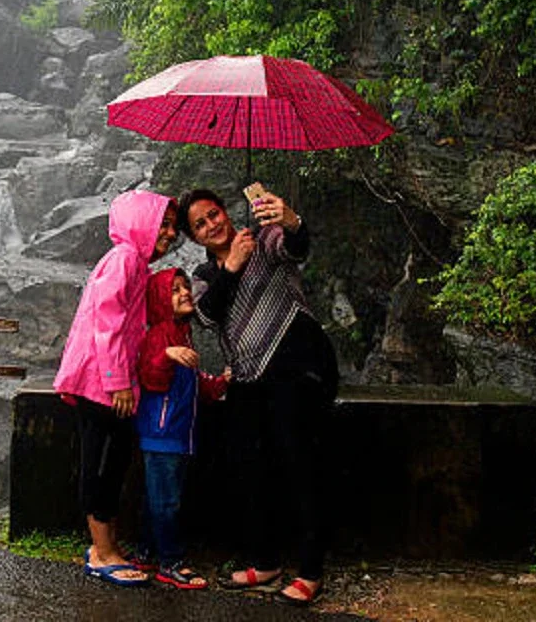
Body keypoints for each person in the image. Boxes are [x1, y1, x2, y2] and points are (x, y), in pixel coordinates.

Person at [177, 186, 339, 606]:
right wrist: (231, 267)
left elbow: (297, 247)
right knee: (248, 467)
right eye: (200, 225)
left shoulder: (264, 239)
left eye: (213, 215)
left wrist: (291, 219)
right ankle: (264, 560)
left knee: (299, 464)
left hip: (298, 367)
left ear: (225, 213)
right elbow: (207, 316)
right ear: (194, 238)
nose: (211, 225)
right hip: (249, 377)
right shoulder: (204, 275)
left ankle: (310, 570)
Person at [54, 189, 178, 588]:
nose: (171, 234)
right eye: (164, 224)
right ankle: (100, 552)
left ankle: (106, 547)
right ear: (140, 223)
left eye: (174, 227)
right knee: (102, 464)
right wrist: (118, 381)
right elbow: (106, 323)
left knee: (114, 460)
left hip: (107, 383)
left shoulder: (134, 263)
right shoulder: (124, 259)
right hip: (101, 384)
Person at [133, 268, 229, 590]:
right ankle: (170, 562)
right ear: (160, 302)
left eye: (185, 287)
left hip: (175, 434)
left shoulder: (181, 332)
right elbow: (149, 374)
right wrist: (166, 355)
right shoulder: (159, 335)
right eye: (174, 290)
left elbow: (192, 382)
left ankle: (145, 553)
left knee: (156, 498)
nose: (185, 293)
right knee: (167, 501)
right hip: (162, 435)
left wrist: (218, 385)